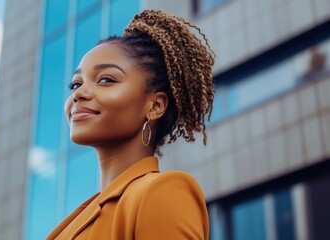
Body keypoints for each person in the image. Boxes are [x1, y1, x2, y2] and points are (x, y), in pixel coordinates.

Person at [46, 9, 215, 240]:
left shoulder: (163, 192)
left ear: (155, 106)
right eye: (76, 84)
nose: (79, 94)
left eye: (106, 80)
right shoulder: (74, 222)